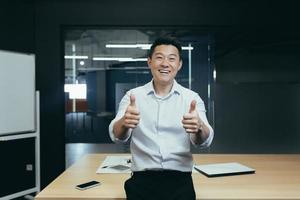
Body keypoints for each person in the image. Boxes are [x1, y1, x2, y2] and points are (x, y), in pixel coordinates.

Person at [109, 37, 214, 200]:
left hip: (180, 182)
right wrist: (124, 123)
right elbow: (117, 136)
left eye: (172, 58)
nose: (165, 63)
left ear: (179, 65)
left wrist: (200, 127)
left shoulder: (191, 98)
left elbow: (203, 142)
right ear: (149, 62)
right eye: (159, 57)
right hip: (141, 183)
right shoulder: (132, 97)